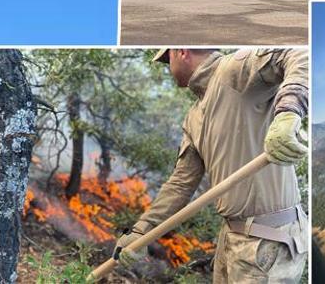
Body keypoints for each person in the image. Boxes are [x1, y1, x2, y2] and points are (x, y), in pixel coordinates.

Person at [114, 48, 309, 283]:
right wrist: (141, 230)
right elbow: (180, 184)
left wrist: (288, 112)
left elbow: (298, 53)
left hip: (270, 243)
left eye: (168, 59)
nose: (168, 67)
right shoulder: (194, 118)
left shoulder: (233, 70)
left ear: (181, 51)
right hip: (231, 239)